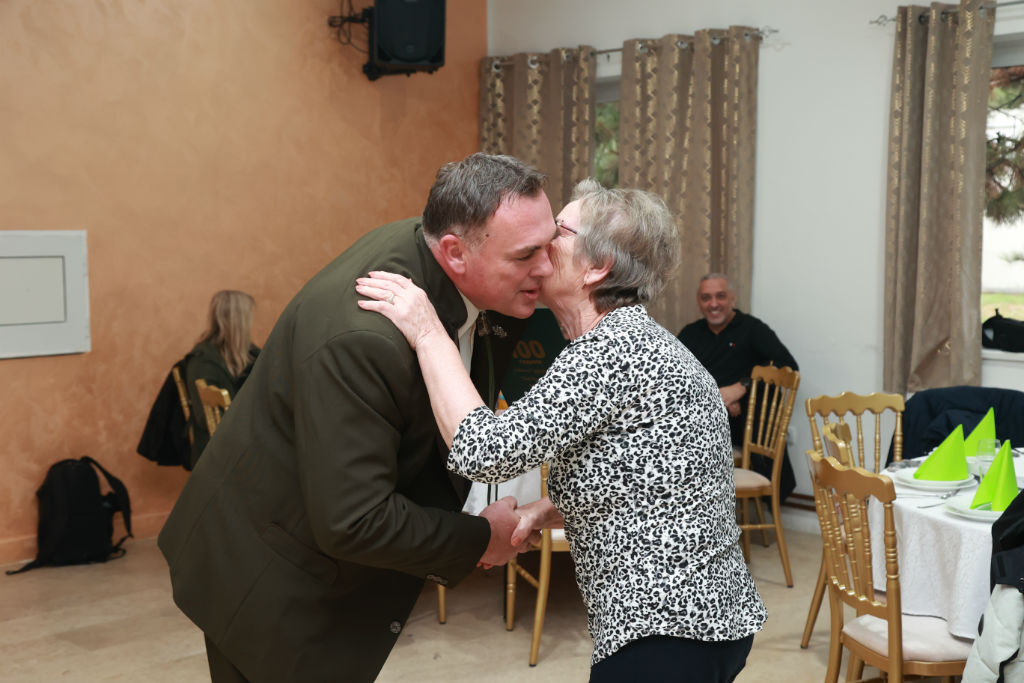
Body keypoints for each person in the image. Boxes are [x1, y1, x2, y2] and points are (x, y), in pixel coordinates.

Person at [158, 153, 556, 683]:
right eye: (526, 254)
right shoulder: (366, 341)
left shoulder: (439, 251)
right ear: (454, 252)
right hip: (270, 579)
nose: (546, 268)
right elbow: (356, 520)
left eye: (551, 245)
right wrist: (479, 539)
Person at [357, 179, 766, 682]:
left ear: (597, 267)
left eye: (558, 232)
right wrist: (544, 510)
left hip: (666, 630)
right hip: (712, 617)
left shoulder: (609, 351)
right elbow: (646, 482)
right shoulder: (639, 339)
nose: (541, 241)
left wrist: (426, 330)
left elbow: (485, 450)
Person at [677, 274, 799, 500]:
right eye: (706, 298)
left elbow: (788, 366)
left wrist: (742, 389)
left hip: (745, 425)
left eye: (720, 296)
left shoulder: (752, 329)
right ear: (699, 302)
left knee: (761, 395)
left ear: (732, 298)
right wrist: (720, 400)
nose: (714, 304)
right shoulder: (690, 334)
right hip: (702, 423)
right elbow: (674, 380)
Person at [184, 289, 260, 469]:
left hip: (234, 444)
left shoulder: (247, 354)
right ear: (239, 322)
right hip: (218, 454)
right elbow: (207, 419)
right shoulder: (203, 361)